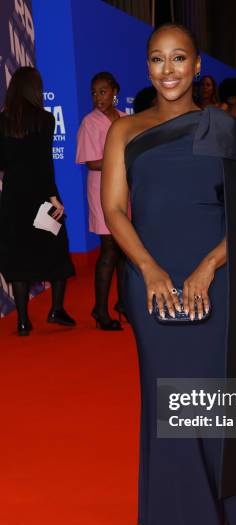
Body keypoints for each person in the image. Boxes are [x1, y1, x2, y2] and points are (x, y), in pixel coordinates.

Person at [101, 23, 236, 525]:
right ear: (147, 66)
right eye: (158, 59)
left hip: (214, 276)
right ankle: (195, 518)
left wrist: (208, 266)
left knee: (210, 391)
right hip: (149, 278)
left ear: (198, 67)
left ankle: (223, 501)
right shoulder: (124, 130)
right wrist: (150, 269)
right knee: (167, 395)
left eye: (180, 58)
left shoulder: (222, 126)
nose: (169, 69)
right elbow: (112, 210)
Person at [0, 67, 75, 336]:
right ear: (35, 88)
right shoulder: (44, 120)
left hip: (12, 198)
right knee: (56, 249)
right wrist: (54, 198)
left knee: (18, 255)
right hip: (41, 196)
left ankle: (22, 320)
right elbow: (45, 163)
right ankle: (56, 310)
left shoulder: (3, 120)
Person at [76, 72, 127, 330]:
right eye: (94, 92)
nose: (98, 97)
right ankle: (100, 309)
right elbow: (91, 162)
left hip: (125, 191)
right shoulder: (89, 122)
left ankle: (123, 303)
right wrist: (121, 160)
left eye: (103, 91)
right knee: (109, 249)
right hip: (101, 190)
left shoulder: (127, 119)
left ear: (114, 91)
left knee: (124, 249)